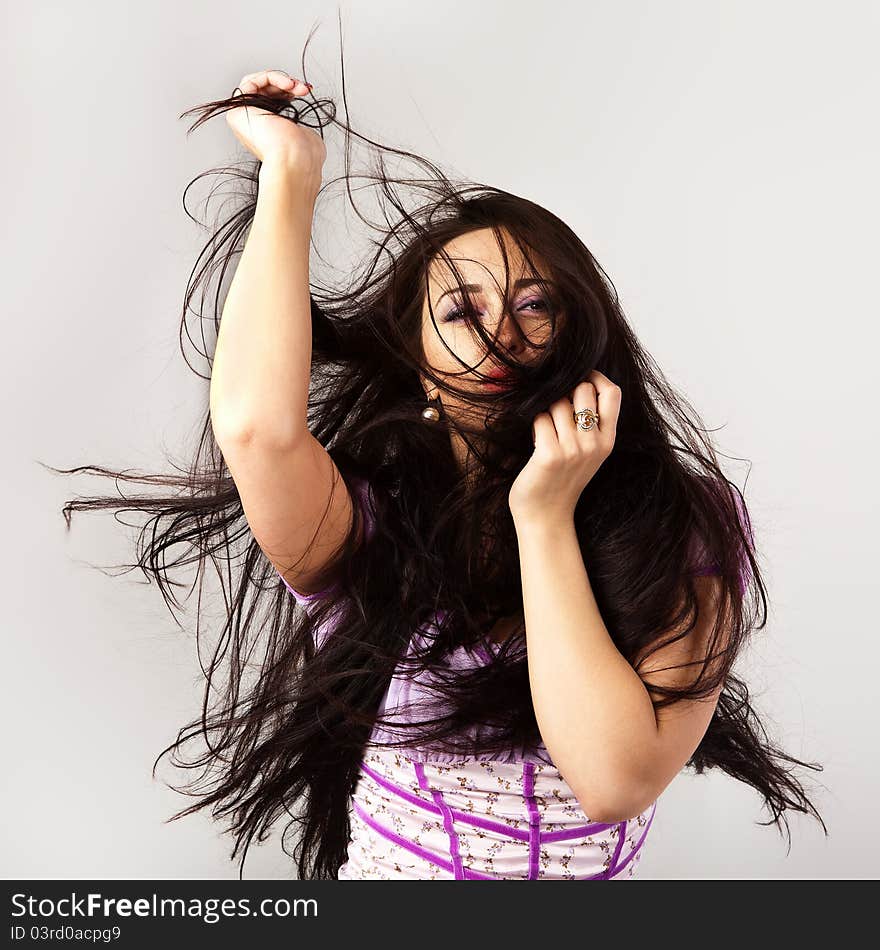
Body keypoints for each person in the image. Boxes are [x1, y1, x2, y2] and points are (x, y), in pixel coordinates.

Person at [58, 62, 827, 880]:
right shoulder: (368, 530)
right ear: (418, 362)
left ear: (585, 335)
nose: (505, 335)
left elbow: (613, 780)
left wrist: (544, 515)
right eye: (462, 311)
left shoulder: (687, 523)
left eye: (536, 304)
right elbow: (254, 428)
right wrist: (290, 176)